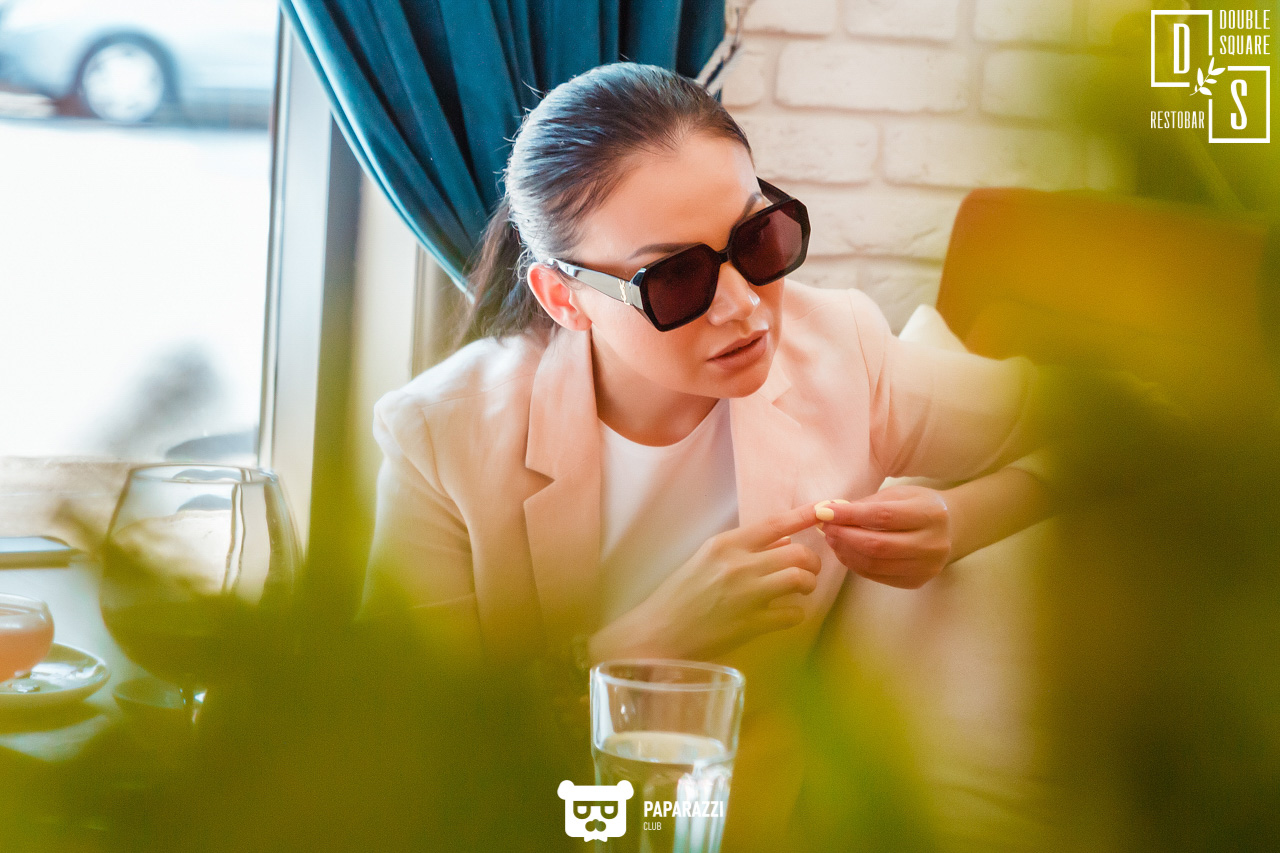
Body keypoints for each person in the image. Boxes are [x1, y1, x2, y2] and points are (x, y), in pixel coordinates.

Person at [365, 61, 1053, 848]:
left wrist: (961, 520)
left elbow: (1119, 420)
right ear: (564, 298)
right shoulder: (442, 435)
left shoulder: (842, 355)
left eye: (758, 238)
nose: (743, 306)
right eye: (677, 277)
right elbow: (401, 748)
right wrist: (656, 635)